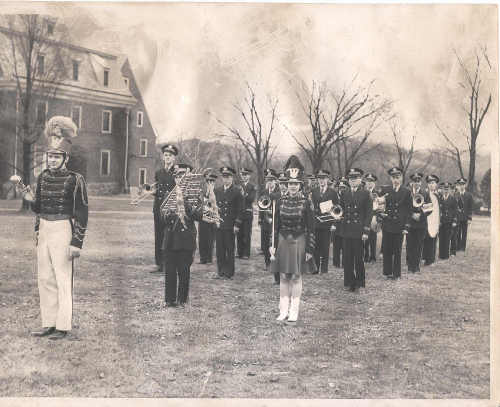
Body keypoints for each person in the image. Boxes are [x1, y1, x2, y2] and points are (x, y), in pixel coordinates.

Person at [24, 116, 88, 340]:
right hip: (45, 229)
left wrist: (76, 242)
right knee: (45, 277)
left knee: (62, 278)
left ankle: (63, 325)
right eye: (50, 156)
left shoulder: (75, 179)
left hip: (63, 229)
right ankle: (48, 322)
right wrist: (31, 201)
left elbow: (82, 213)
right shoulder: (41, 178)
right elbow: (39, 208)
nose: (51, 160)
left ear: (65, 158)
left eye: (56, 157)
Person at [271, 155, 315, 325]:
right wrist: (272, 246)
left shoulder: (306, 202)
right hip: (282, 241)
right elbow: (275, 226)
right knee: (283, 276)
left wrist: (310, 249)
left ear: (300, 185)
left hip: (299, 242)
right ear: (286, 185)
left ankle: (294, 311)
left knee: (296, 277)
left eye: (296, 184)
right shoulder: (279, 201)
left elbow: (311, 228)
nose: (293, 187)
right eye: (290, 184)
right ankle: (283, 311)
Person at [162, 164, 203, 307]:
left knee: (184, 271)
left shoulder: (194, 196)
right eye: (177, 177)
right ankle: (169, 299)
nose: (179, 179)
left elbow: (199, 216)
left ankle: (182, 300)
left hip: (186, 240)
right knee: (170, 271)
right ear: (175, 179)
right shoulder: (169, 195)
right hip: (170, 239)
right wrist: (170, 215)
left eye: (182, 177)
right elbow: (162, 217)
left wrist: (186, 206)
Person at [339, 168, 372, 291]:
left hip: (359, 230)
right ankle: (349, 281)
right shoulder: (344, 193)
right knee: (347, 258)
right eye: (351, 179)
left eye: (355, 178)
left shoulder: (365, 193)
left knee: (358, 258)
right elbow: (341, 209)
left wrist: (366, 231)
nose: (353, 181)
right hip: (346, 229)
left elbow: (369, 214)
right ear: (348, 180)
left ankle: (359, 282)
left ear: (360, 179)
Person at [381, 167, 411, 280]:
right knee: (387, 249)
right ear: (390, 178)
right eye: (393, 177)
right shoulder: (385, 190)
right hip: (387, 224)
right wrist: (380, 214)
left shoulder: (406, 192)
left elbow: (409, 210)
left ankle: (396, 273)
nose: (395, 180)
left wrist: (406, 226)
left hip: (399, 225)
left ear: (402, 178)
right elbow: (380, 206)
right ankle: (387, 272)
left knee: (397, 250)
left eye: (397, 177)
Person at [152, 143, 177, 273]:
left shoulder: (178, 173)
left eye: (170, 155)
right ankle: (159, 263)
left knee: (170, 237)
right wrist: (151, 192)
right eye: (165, 155)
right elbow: (158, 190)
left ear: (174, 158)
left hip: (171, 210)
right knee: (158, 236)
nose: (167, 157)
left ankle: (169, 263)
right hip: (158, 209)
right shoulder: (159, 173)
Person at [214, 167, 243, 279]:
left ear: (232, 178)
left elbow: (241, 210)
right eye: (224, 177)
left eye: (228, 177)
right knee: (219, 249)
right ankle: (221, 271)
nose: (226, 179)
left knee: (229, 249)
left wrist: (237, 224)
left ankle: (229, 272)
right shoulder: (217, 190)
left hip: (230, 225)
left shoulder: (237, 191)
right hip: (219, 224)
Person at [311, 169, 338, 274]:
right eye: (319, 178)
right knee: (316, 246)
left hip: (327, 223)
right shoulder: (314, 191)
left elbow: (337, 208)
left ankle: (324, 268)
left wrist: (334, 223)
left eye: (323, 178)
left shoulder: (332, 192)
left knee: (325, 246)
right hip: (316, 222)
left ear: (327, 179)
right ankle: (316, 267)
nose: (321, 181)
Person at [406, 172, 433, 273]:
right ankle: (410, 266)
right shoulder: (407, 193)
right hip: (409, 223)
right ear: (411, 182)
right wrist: (412, 215)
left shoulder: (426, 194)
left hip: (421, 224)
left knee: (419, 245)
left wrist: (421, 215)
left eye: (418, 181)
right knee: (410, 245)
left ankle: (416, 267)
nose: (417, 183)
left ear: (421, 182)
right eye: (414, 181)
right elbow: (404, 208)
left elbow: (430, 209)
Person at [259, 169, 281, 283]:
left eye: (272, 180)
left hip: (275, 221)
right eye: (268, 180)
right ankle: (267, 263)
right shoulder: (264, 192)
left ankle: (274, 265)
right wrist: (261, 219)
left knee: (273, 243)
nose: (270, 182)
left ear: (275, 182)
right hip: (265, 221)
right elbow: (261, 207)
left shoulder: (278, 192)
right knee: (265, 243)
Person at [198, 172, 218, 264]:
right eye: (208, 182)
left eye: (212, 182)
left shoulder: (218, 192)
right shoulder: (202, 192)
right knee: (202, 239)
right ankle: (203, 258)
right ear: (206, 183)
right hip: (203, 218)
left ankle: (209, 258)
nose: (210, 183)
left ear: (214, 183)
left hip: (212, 219)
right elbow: (200, 203)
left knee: (210, 239)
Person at [237, 168, 256, 259]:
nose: (244, 176)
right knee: (239, 233)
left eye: (246, 175)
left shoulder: (252, 187)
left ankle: (246, 253)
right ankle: (239, 252)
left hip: (247, 213)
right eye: (243, 175)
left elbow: (251, 199)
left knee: (247, 234)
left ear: (249, 176)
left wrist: (243, 193)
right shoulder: (238, 186)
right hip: (239, 213)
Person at [422, 174, 440, 266]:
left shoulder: (437, 196)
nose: (431, 185)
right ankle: (425, 258)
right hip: (426, 219)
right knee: (426, 239)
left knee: (433, 239)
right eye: (429, 183)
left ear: (436, 185)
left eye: (433, 183)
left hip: (435, 220)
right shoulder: (425, 195)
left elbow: (439, 209)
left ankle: (431, 259)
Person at [438, 182, 458, 260]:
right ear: (442, 189)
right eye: (444, 189)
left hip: (449, 221)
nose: (446, 191)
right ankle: (441, 254)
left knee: (447, 238)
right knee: (441, 238)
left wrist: (454, 221)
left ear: (449, 189)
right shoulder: (439, 198)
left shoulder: (453, 199)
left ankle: (445, 255)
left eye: (447, 189)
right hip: (441, 221)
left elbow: (455, 211)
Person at [454, 177, 473, 253]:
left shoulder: (469, 195)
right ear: (459, 185)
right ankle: (458, 247)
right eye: (460, 184)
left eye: (463, 184)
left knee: (464, 233)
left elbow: (470, 208)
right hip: (458, 217)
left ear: (465, 185)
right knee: (457, 233)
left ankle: (463, 247)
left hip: (465, 217)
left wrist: (469, 218)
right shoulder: (456, 194)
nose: (462, 186)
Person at [332, 177, 347, 268]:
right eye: (340, 187)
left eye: (343, 188)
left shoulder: (348, 196)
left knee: (344, 244)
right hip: (336, 223)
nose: (341, 189)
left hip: (344, 223)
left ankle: (345, 263)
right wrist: (333, 223)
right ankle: (336, 262)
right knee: (336, 244)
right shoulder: (334, 196)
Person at [363, 173, 378, 263]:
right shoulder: (363, 192)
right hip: (365, 217)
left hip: (374, 216)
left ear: (374, 183)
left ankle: (373, 256)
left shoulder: (378, 192)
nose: (369, 183)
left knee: (373, 237)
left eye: (371, 181)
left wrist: (378, 218)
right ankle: (366, 255)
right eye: (368, 181)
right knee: (365, 236)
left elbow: (381, 206)